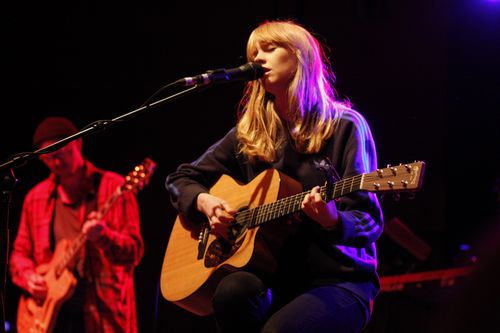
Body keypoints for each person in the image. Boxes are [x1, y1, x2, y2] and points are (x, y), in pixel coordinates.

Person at [165, 19, 384, 333]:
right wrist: (205, 202)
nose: (258, 59)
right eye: (254, 52)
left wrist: (333, 220)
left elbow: (369, 219)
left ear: (300, 57)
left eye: (269, 48)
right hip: (275, 277)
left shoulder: (344, 125)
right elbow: (181, 178)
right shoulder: (252, 132)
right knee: (231, 291)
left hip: (338, 281)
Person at [10, 116, 144, 333]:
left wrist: (104, 236)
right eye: (49, 158)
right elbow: (18, 254)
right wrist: (29, 277)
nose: (57, 162)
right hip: (50, 316)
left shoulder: (114, 187)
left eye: (62, 153)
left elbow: (134, 253)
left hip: (104, 313)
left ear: (78, 143)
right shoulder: (35, 198)